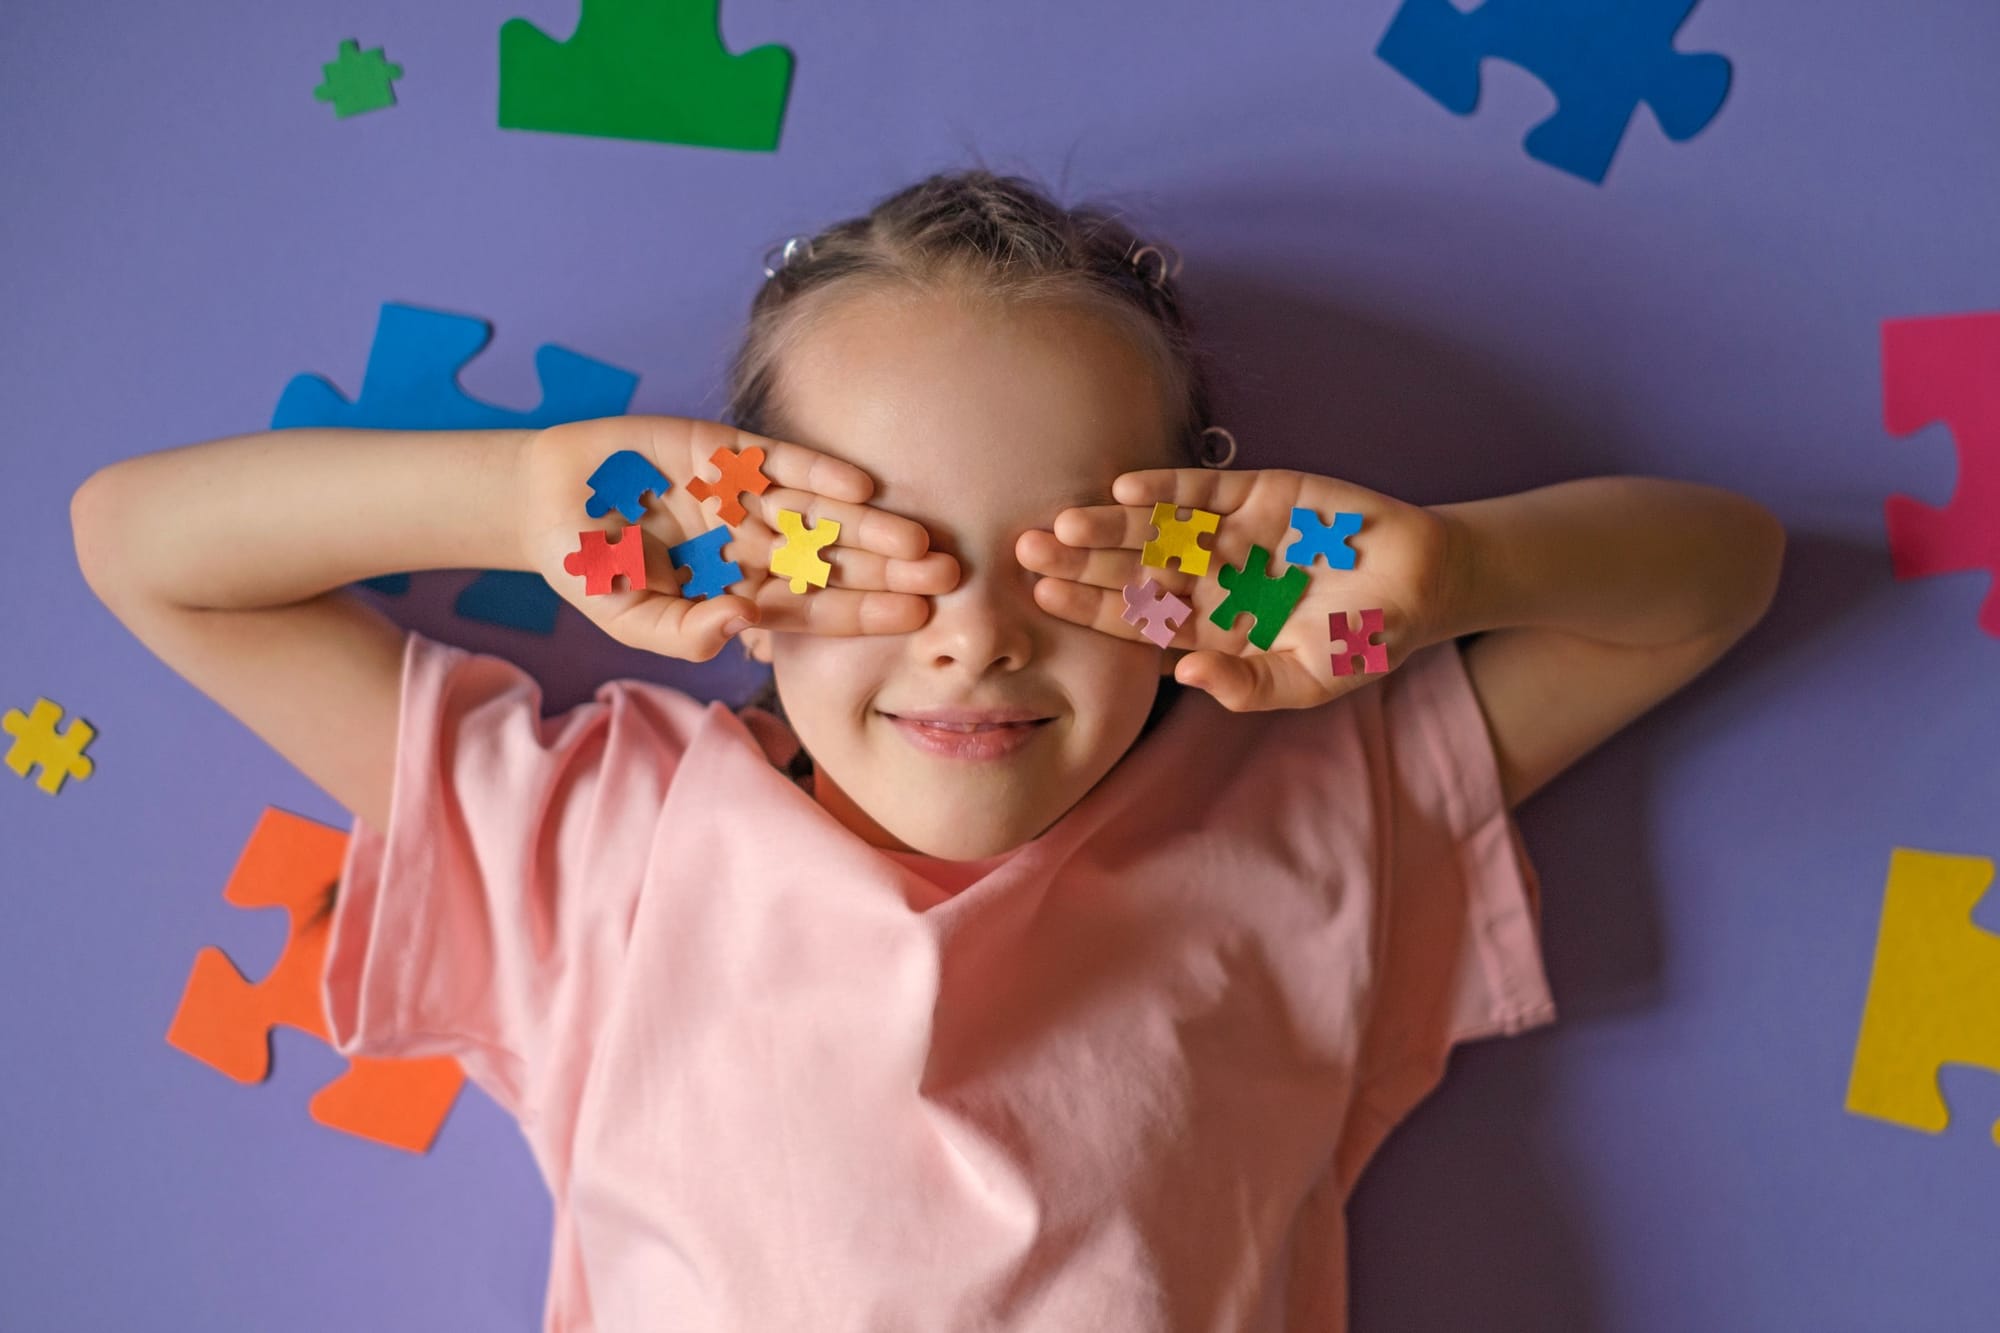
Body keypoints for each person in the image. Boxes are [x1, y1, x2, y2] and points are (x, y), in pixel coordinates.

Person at [70, 167, 1784, 1331]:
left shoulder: (1313, 825)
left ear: (1187, 579)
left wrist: (1455, 572)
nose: (974, 633)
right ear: (738, 563)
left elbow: (1720, 575)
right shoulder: (603, 844)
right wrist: (523, 499)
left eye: (1064, 559)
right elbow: (138, 546)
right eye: (883, 555)